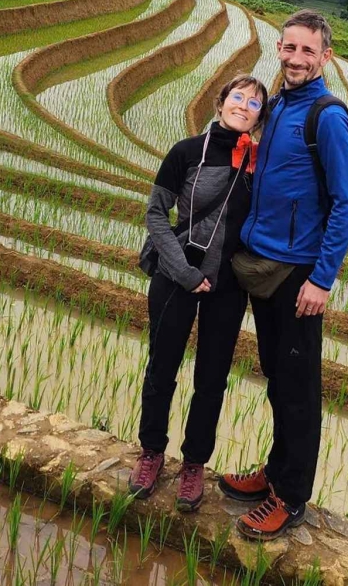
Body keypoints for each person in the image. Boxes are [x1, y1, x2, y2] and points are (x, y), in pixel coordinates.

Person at [221, 10, 348, 539]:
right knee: (279, 381)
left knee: (299, 388)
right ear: (278, 49)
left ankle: (291, 497)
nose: (297, 59)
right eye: (290, 49)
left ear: (326, 57)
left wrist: (322, 280)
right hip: (266, 266)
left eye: (309, 51)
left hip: (299, 274)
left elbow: (345, 204)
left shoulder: (325, 115)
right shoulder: (278, 105)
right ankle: (274, 474)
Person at [129, 75, 269, 511]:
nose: (243, 105)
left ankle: (193, 465)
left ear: (260, 117)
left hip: (227, 287)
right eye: (237, 96)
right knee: (162, 367)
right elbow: (155, 214)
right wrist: (185, 273)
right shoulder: (187, 151)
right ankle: (151, 452)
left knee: (211, 380)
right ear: (221, 102)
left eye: (254, 102)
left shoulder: (259, 164)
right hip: (177, 276)